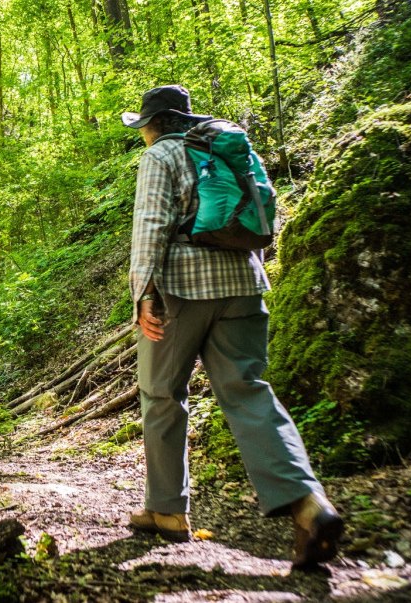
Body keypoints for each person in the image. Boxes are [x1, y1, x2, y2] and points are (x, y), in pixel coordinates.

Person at [123, 84, 344, 569]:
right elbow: (259, 216)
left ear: (153, 126)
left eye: (143, 129)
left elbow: (151, 225)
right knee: (249, 391)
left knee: (161, 394)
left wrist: (143, 294)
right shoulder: (224, 145)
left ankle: (167, 511)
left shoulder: (160, 156)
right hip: (244, 281)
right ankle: (309, 504)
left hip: (182, 288)